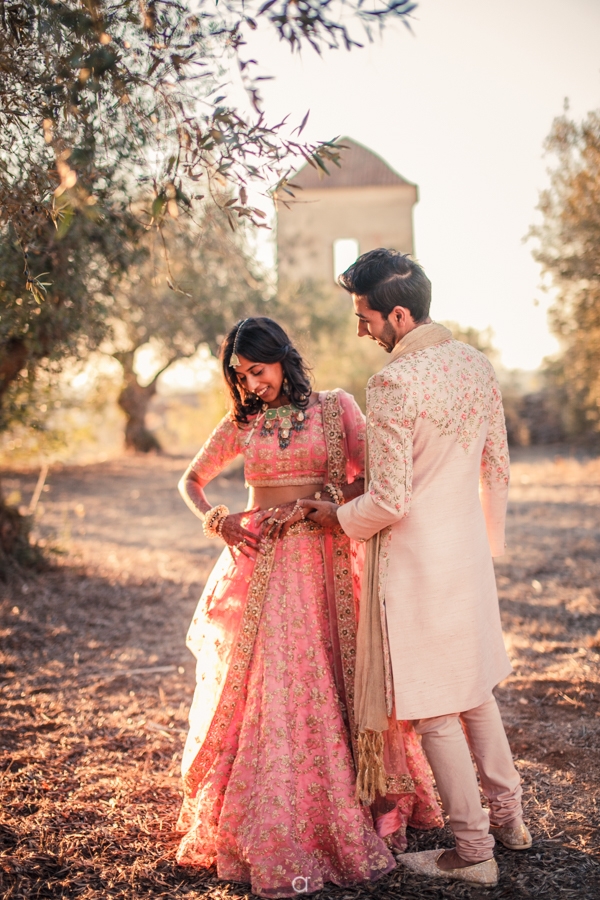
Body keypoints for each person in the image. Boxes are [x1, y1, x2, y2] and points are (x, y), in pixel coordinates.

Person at [174, 316, 442, 898]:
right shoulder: (243, 421)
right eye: (240, 376)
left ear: (283, 359)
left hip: (326, 563)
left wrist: (322, 503)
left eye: (258, 370)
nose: (251, 385)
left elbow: (376, 475)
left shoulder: (335, 408)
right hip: (264, 573)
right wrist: (218, 520)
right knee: (275, 689)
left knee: (336, 678)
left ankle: (355, 802)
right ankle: (273, 811)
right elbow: (192, 481)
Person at [301, 250, 532, 889]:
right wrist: (491, 538)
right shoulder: (475, 363)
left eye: (366, 317)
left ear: (398, 314)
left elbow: (390, 500)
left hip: (416, 566)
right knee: (476, 694)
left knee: (434, 710)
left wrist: (336, 515)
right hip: (466, 557)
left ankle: (473, 851)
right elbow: (497, 463)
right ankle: (510, 821)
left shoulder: (394, 383)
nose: (362, 331)